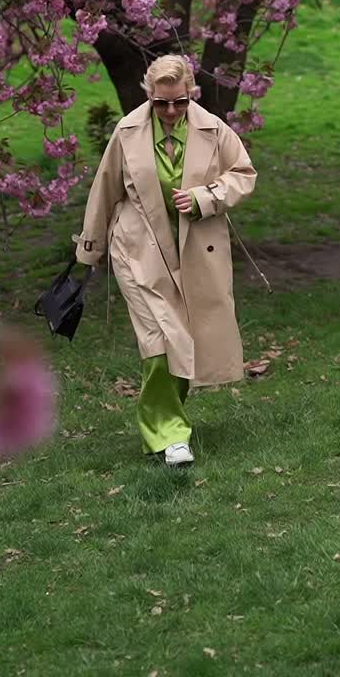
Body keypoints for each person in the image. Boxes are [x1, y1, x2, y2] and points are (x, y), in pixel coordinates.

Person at [72, 55, 257, 465]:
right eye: (161, 103)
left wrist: (204, 197)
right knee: (159, 341)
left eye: (179, 102)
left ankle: (169, 424)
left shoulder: (212, 128)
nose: (171, 111)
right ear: (148, 96)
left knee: (183, 339)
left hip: (196, 251)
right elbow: (104, 190)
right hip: (138, 251)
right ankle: (169, 435)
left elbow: (244, 175)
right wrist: (89, 251)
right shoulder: (127, 132)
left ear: (192, 94)